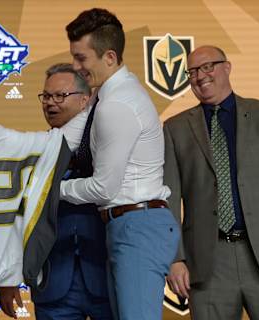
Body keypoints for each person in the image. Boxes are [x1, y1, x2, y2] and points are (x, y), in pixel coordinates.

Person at [163, 45, 259, 320]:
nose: (200, 76)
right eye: (192, 71)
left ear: (227, 67)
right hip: (207, 263)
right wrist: (175, 258)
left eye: (208, 66)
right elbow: (169, 201)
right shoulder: (175, 128)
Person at [60, 8, 180, 320]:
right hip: (128, 225)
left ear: (109, 57)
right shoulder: (107, 97)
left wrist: (50, 188)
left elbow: (103, 187)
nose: (76, 67)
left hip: (138, 226)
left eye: (82, 59)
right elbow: (57, 143)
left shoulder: (117, 104)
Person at [0, 63, 113, 320]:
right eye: (46, 96)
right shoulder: (31, 153)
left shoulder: (110, 146)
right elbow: (11, 219)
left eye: (60, 96)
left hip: (106, 277)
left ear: (85, 100)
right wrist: (6, 277)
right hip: (52, 284)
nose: (51, 103)